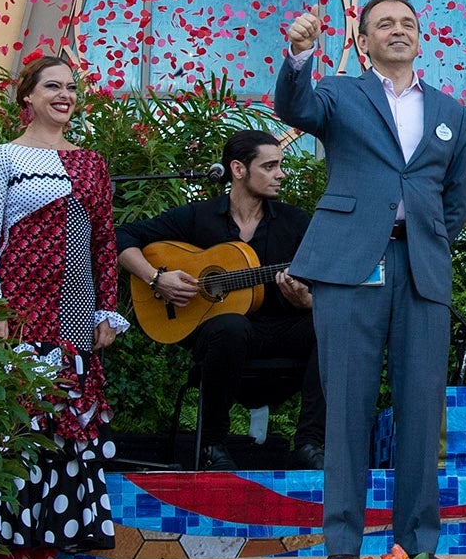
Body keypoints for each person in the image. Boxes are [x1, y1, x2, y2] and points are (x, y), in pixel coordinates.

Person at [275, 0, 466, 559]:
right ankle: (342, 548)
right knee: (346, 409)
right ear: (363, 41)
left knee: (420, 410)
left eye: (407, 23)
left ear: (419, 36)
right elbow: (296, 108)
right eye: (384, 24)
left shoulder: (448, 110)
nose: (398, 30)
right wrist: (298, 54)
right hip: (348, 265)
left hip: (421, 267)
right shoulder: (338, 91)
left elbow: (456, 196)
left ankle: (416, 547)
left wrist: (430, 238)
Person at [0, 56, 125, 559]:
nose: (65, 94)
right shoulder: (3, 159)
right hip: (22, 306)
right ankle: (15, 543)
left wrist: (106, 308)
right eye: (53, 86)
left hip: (76, 308)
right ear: (27, 97)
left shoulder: (91, 163)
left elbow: (105, 242)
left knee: (68, 427)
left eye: (71, 87)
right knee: (24, 422)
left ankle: (51, 539)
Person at [114, 130, 320, 470]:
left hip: (279, 333)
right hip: (219, 339)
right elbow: (122, 235)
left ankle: (311, 444)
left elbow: (324, 278)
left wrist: (307, 302)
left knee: (328, 324)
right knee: (231, 325)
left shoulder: (295, 222)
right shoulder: (199, 216)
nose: (280, 174)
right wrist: (156, 278)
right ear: (238, 169)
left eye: (280, 166)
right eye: (269, 166)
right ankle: (211, 444)